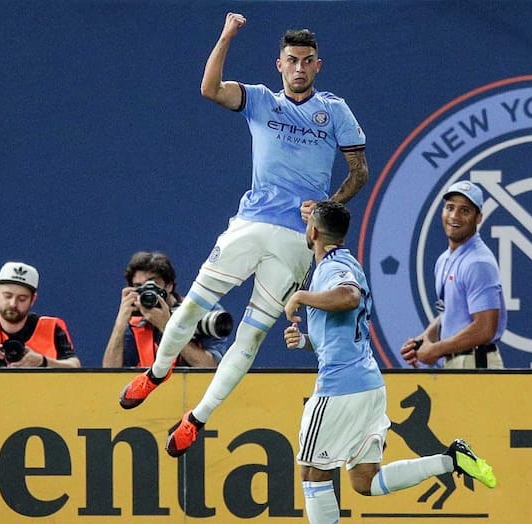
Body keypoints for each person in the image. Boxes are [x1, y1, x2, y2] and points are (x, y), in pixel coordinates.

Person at [118, 12, 369, 459]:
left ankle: (196, 419)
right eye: (291, 60)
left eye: (307, 61)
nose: (298, 68)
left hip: (296, 241)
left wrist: (329, 206)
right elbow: (209, 88)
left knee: (250, 337)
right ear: (278, 64)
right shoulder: (261, 101)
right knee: (194, 304)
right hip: (250, 225)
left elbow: (360, 171)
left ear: (318, 66)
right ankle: (156, 373)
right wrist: (227, 34)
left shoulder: (335, 111)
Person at [283, 200, 496, 524]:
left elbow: (348, 297)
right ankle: (451, 460)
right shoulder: (340, 265)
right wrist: (305, 342)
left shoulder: (335, 267)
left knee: (312, 472)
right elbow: (345, 330)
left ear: (313, 232)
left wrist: (300, 297)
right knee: (364, 481)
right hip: (367, 385)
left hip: (340, 388)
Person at [400, 181, 507, 369]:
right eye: (450, 208)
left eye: (465, 210)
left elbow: (485, 328)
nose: (454, 216)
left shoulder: (478, 262)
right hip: (457, 362)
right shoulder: (444, 260)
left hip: (476, 364)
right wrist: (424, 339)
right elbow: (452, 312)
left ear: (479, 217)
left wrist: (437, 349)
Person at [102, 251, 230, 368]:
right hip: (149, 391)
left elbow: (211, 369)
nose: (147, 292)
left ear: (168, 285)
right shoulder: (134, 318)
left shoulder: (202, 311)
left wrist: (168, 327)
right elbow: (109, 374)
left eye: (151, 285)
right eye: (139, 287)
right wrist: (120, 324)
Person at [0, 261, 81, 368]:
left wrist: (43, 361)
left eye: (22, 298)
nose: (13, 304)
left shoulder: (52, 330)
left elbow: (75, 367)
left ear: (33, 299)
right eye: (7, 296)